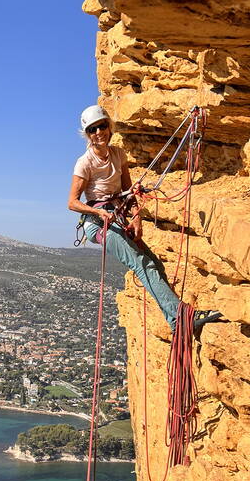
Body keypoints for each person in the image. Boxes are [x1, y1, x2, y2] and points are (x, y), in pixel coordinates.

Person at [67, 104, 222, 333]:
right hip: (99, 224)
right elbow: (72, 202)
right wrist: (99, 212)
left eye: (101, 126)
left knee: (155, 264)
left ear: (109, 127)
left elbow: (128, 191)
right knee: (142, 263)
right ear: (87, 135)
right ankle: (182, 317)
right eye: (92, 129)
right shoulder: (85, 162)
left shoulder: (118, 154)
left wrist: (137, 219)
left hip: (117, 216)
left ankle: (174, 321)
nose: (98, 133)